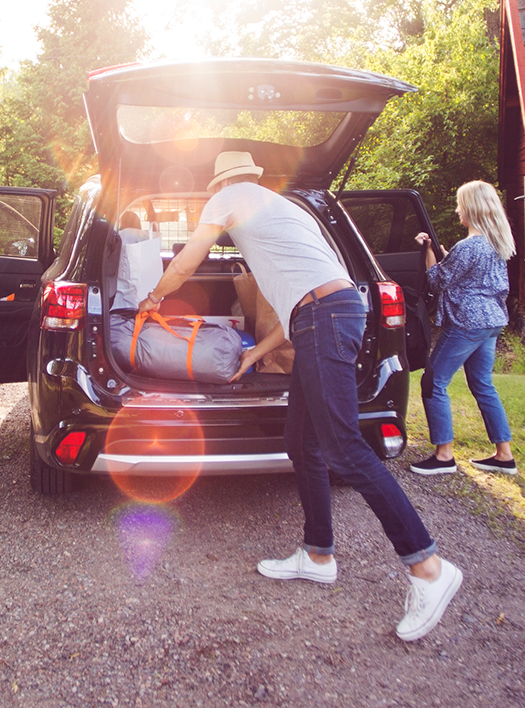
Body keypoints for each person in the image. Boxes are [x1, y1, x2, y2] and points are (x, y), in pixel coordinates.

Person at [139, 151, 462, 642]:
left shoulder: (228, 197)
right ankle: (317, 555)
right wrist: (257, 353)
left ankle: (428, 567)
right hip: (324, 316)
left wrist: (155, 297)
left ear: (220, 183)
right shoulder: (286, 208)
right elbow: (305, 299)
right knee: (301, 441)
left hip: (325, 318)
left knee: (344, 447)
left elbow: (187, 259)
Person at [410, 180, 518, 478]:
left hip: (468, 323)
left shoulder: (469, 246)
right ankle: (504, 454)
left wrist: (429, 249)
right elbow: (465, 276)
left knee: (434, 382)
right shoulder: (497, 242)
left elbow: (437, 281)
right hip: (492, 320)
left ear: (470, 207)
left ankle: (444, 456)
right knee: (483, 384)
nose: (457, 209)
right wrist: (444, 254)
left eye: (460, 204)